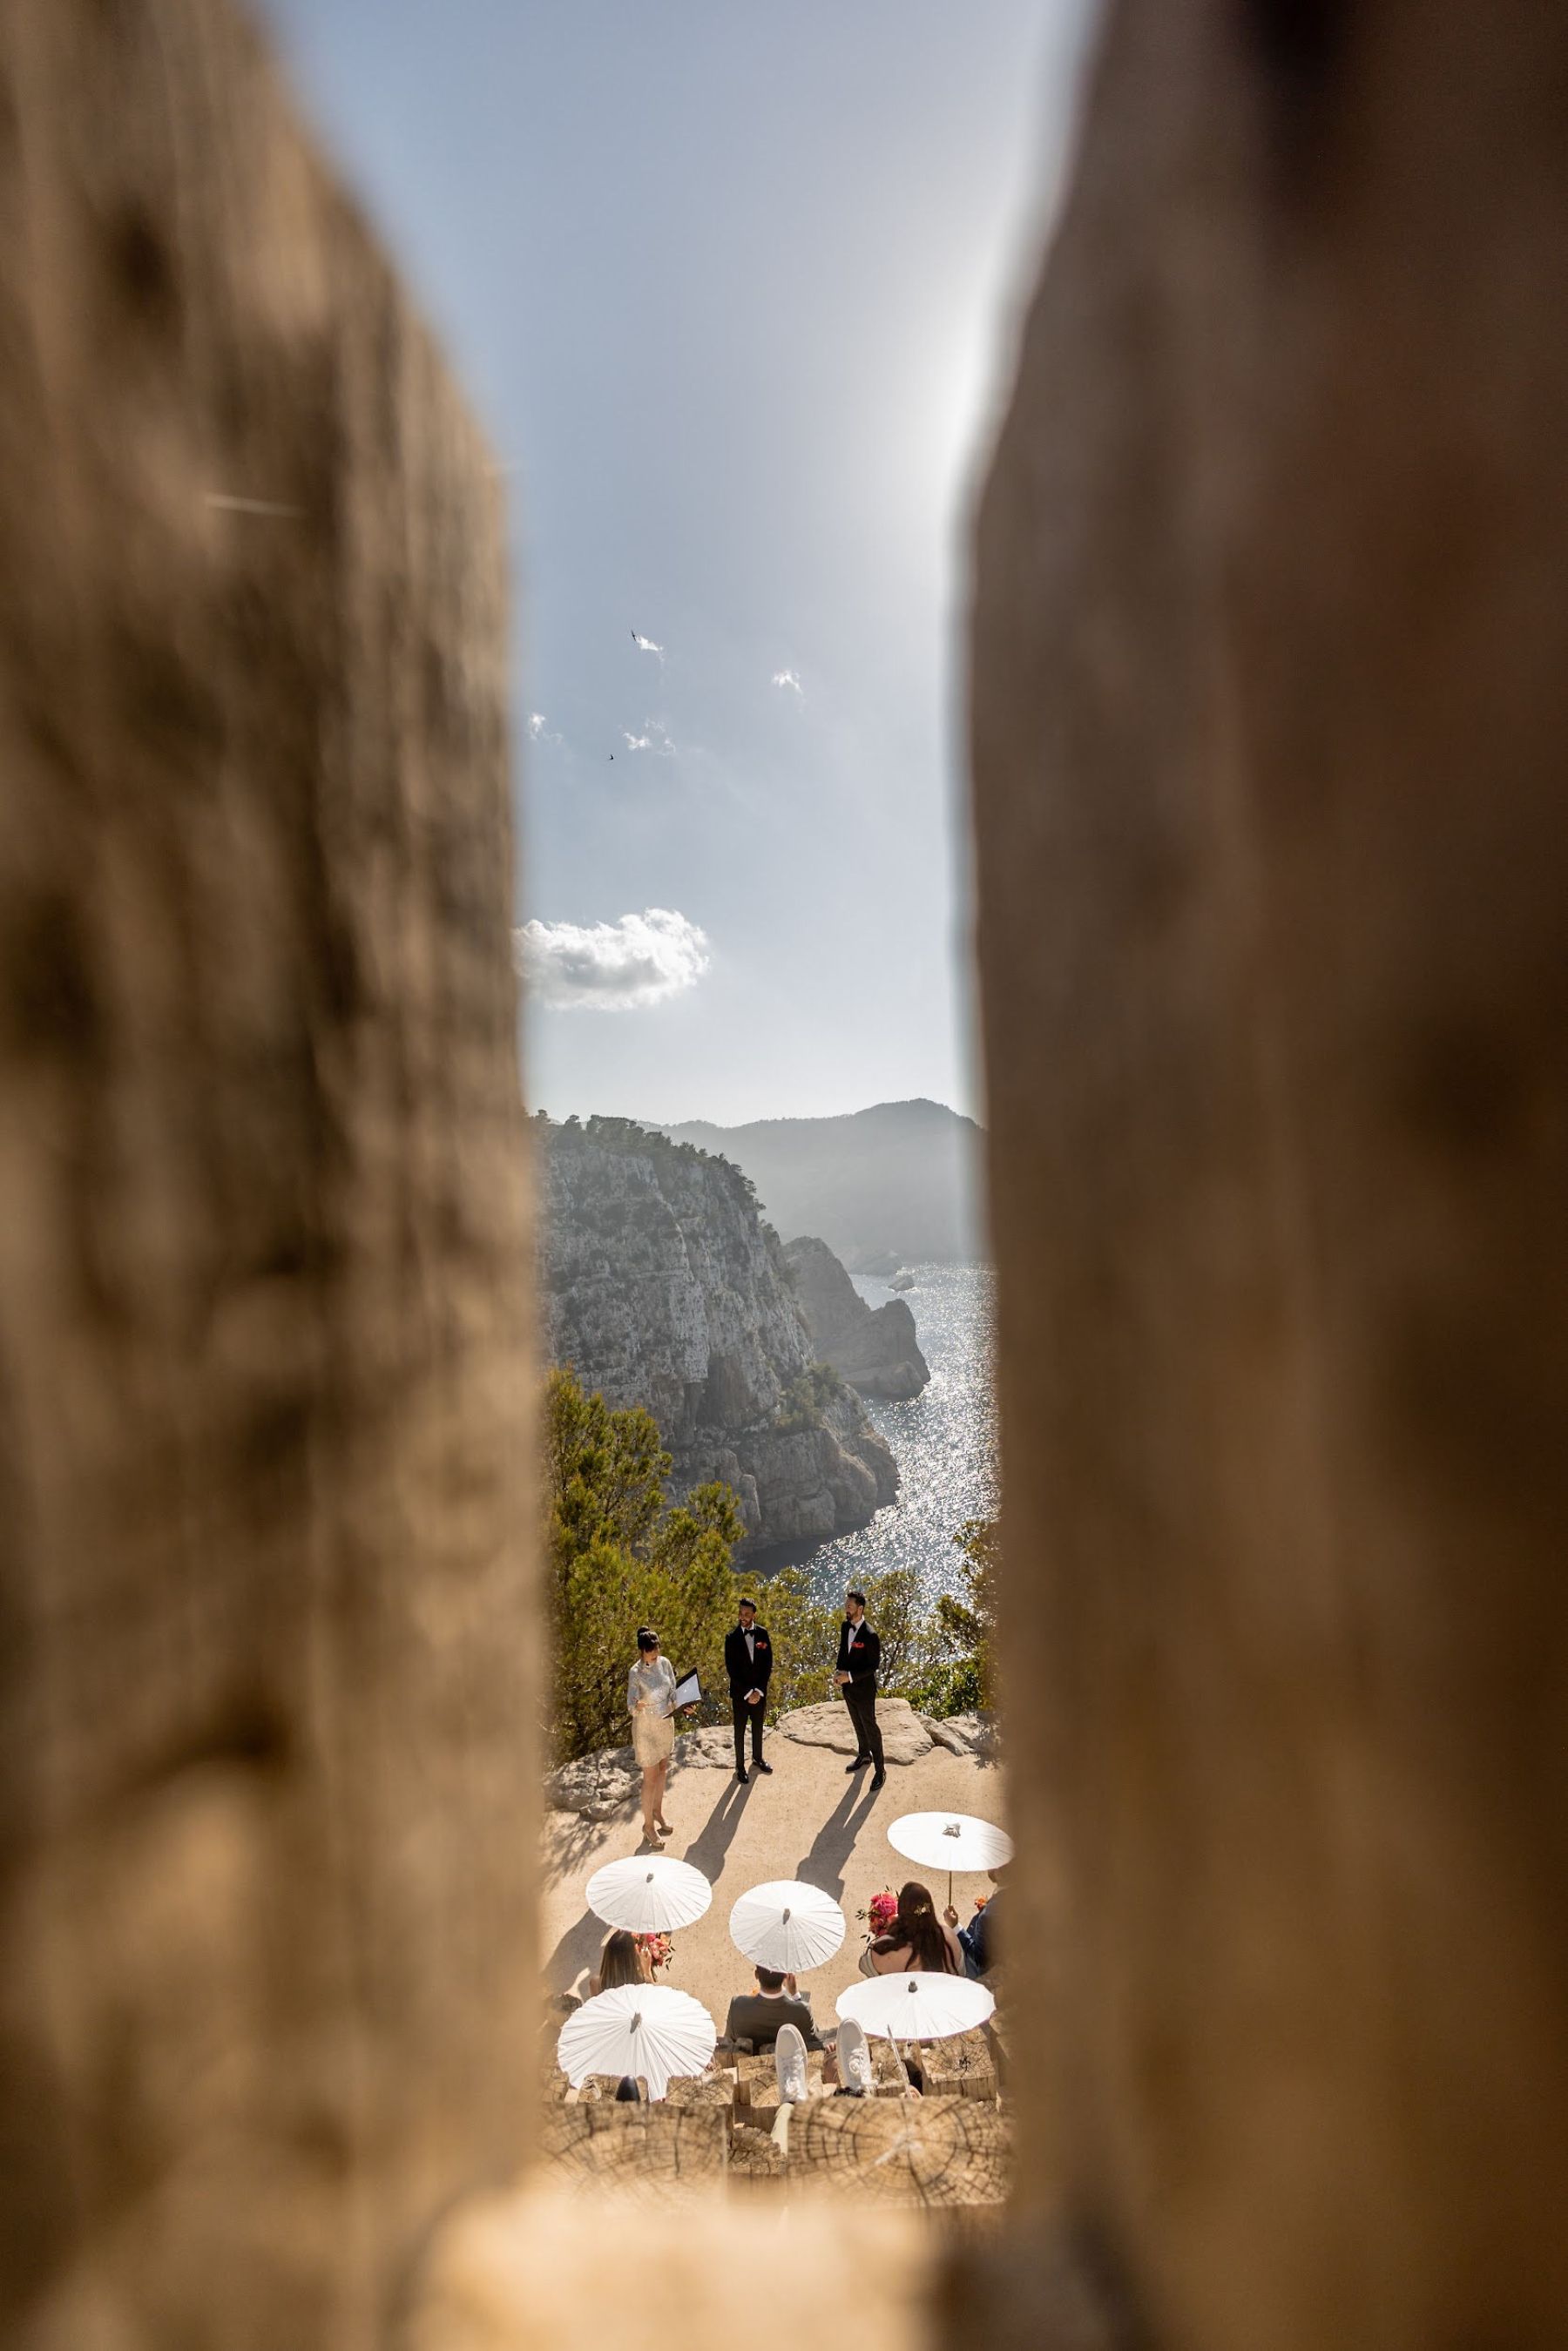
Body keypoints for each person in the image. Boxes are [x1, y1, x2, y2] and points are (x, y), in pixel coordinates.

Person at [627, 1625, 686, 1848]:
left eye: (656, 1650)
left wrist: (684, 1705)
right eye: (650, 1651)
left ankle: (658, 1813)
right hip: (646, 1730)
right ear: (642, 1651)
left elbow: (672, 1692)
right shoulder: (635, 1672)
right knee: (650, 1779)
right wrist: (637, 1705)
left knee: (663, 1770)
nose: (655, 1654)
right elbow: (630, 1705)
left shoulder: (665, 1663)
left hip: (665, 1725)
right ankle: (648, 1826)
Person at [833, 1588, 885, 1788]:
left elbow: (873, 1666)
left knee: (871, 1728)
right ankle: (864, 1755)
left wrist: (851, 1676)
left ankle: (880, 1770)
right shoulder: (845, 1627)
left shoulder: (871, 1635)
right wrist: (839, 1672)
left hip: (864, 1690)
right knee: (857, 1724)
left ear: (860, 1609)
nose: (846, 1608)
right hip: (848, 1689)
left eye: (849, 1606)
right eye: (846, 1605)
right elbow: (842, 1652)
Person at [866, 1880, 964, 1975]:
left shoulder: (883, 1949)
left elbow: (865, 1967)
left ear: (900, 1912)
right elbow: (962, 1972)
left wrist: (891, 1930)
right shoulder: (950, 1937)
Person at [724, 1597, 774, 1782]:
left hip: (759, 1693)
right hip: (740, 1694)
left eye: (746, 1613)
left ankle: (758, 1758)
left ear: (754, 1615)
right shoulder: (731, 1638)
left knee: (758, 1727)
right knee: (739, 1731)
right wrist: (748, 1692)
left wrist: (759, 1691)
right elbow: (732, 1670)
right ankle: (740, 1766)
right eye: (741, 1613)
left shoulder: (763, 1634)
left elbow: (768, 1664)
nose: (742, 1616)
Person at [722, 1964, 823, 2052]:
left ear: (756, 1974)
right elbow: (814, 2039)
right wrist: (796, 1996)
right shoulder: (802, 2011)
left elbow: (727, 2041)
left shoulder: (738, 2006)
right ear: (785, 1975)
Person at [946, 1867, 1004, 1980]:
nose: (990, 1866)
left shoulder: (988, 1915)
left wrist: (955, 1926)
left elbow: (979, 1958)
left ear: (1000, 1873)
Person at [591, 1929, 651, 1996]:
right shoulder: (644, 1982)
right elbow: (652, 1996)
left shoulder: (597, 1984)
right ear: (633, 1958)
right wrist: (647, 1971)